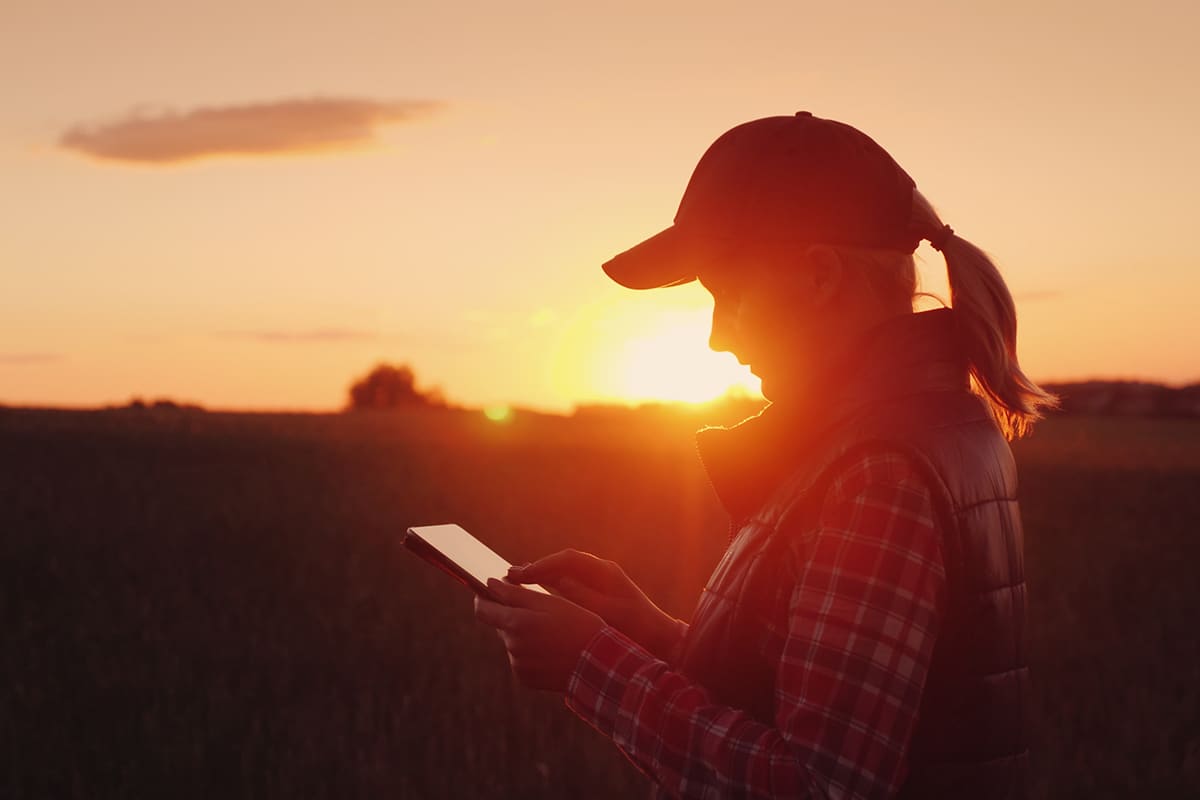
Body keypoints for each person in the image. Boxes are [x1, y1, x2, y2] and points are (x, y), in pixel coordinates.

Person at [473, 111, 1055, 799]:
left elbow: (818, 785)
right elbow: (820, 696)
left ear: (818, 277)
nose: (717, 338)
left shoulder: (879, 471)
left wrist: (592, 665)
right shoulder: (909, 431)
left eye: (729, 295)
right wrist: (652, 634)